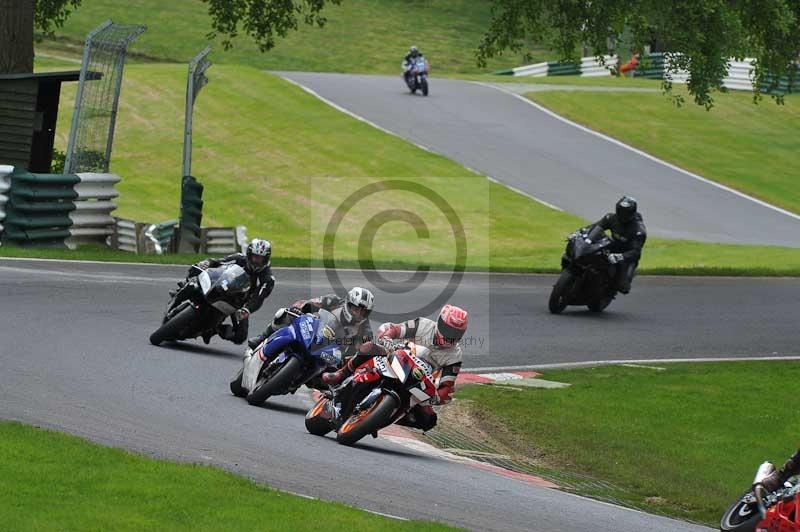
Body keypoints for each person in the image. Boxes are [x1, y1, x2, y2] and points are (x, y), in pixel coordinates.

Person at [322, 304, 469, 431]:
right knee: (369, 347)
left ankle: (382, 417)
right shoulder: (423, 325)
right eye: (447, 329)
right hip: (397, 358)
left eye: (455, 333)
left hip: (419, 381)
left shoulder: (455, 355)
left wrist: (436, 398)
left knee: (429, 420)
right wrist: (387, 337)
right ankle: (341, 374)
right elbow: (396, 329)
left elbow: (447, 386)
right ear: (439, 323)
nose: (450, 335)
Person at [175, 239, 275, 345]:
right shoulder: (239, 258)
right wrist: (207, 263)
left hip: (239, 301)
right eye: (254, 257)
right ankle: (180, 292)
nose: (256, 261)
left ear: (266, 259)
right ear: (249, 254)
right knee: (195, 276)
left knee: (240, 336)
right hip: (221, 285)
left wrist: (247, 309)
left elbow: (259, 298)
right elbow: (220, 261)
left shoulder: (268, 279)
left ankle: (215, 329)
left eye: (259, 259)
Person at [248, 287, 375, 358]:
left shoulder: (365, 327)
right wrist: (299, 308)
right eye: (356, 309)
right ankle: (262, 337)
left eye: (363, 312)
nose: (358, 314)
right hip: (314, 330)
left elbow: (365, 344)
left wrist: (357, 345)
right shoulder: (334, 301)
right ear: (348, 303)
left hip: (331, 352)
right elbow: (309, 303)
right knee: (284, 313)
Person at [581, 195, 646, 294]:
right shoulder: (610, 218)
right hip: (613, 244)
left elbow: (636, 252)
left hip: (627, 255)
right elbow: (596, 227)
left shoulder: (638, 231)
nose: (623, 215)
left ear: (633, 212)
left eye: (626, 212)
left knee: (623, 286)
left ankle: (608, 292)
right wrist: (584, 236)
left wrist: (620, 256)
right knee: (589, 255)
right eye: (621, 211)